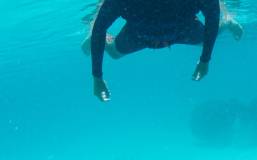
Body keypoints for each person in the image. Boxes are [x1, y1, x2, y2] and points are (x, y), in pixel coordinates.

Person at [81, 0, 243, 102]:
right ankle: (227, 22)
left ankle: (227, 21)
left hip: (179, 30)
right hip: (143, 34)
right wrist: (96, 77)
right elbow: (99, 28)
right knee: (114, 52)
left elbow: (212, 21)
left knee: (205, 40)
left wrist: (205, 59)